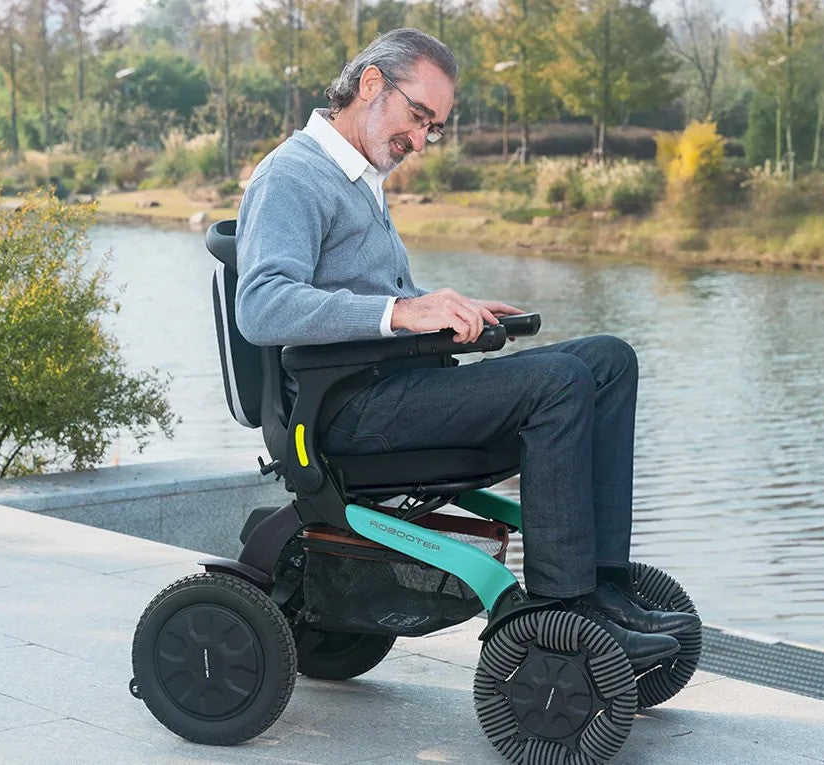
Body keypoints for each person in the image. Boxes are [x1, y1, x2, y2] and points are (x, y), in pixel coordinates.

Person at [235, 28, 697, 666]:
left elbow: (370, 297)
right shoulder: (293, 176)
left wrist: (449, 308)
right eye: (419, 116)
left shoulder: (359, 174)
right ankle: (562, 611)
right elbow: (262, 306)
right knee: (558, 383)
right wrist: (404, 311)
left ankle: (606, 586)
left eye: (434, 127)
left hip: (393, 386)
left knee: (608, 361)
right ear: (371, 84)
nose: (422, 139)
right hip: (346, 408)